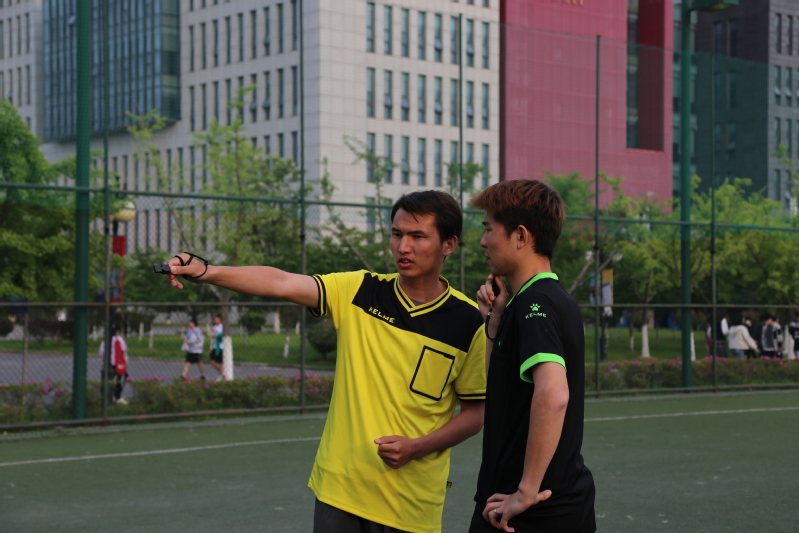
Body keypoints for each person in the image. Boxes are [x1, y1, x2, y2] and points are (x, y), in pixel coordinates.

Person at [163, 190, 486, 533]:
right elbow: (281, 282)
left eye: (417, 236)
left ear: (448, 244)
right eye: (397, 234)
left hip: (412, 505)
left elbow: (476, 413)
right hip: (339, 491)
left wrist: (417, 447)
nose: (403, 246)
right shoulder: (360, 291)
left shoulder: (469, 321)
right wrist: (207, 270)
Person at [469, 180, 595, 533]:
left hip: (527, 513)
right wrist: (495, 320)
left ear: (521, 236)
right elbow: (501, 387)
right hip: (547, 506)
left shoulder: (535, 303)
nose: (482, 241)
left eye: (488, 229)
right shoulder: (540, 300)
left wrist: (525, 491)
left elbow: (553, 395)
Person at [98, 325, 129, 404]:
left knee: (108, 381)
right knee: (118, 381)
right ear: (117, 332)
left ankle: (107, 398)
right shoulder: (120, 339)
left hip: (108, 364)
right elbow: (124, 350)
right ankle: (118, 397)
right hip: (118, 364)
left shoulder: (106, 340)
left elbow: (101, 352)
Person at [208, 314, 224, 379]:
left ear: (219, 319)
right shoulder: (214, 327)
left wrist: (216, 334)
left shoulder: (223, 326)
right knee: (212, 361)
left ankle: (221, 375)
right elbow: (213, 336)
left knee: (221, 362)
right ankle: (221, 371)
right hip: (215, 346)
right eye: (214, 319)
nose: (214, 320)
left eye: (215, 319)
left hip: (221, 346)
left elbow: (223, 335)